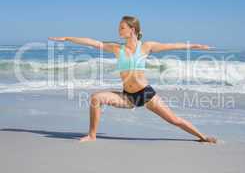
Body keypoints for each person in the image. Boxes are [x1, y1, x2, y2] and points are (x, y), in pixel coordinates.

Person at [48, 15, 217, 144]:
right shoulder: (116, 48)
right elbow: (93, 43)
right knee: (95, 98)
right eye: (119, 28)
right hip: (128, 96)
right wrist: (68, 38)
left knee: (174, 120)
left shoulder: (146, 47)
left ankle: (203, 137)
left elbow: (173, 45)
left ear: (132, 30)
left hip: (146, 94)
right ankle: (92, 135)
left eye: (122, 28)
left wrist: (196, 46)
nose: (119, 31)